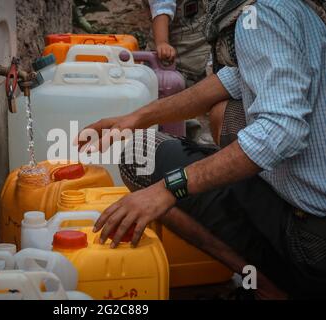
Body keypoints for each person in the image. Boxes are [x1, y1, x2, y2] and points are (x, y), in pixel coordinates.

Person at [78, 0, 326, 298]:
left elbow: (281, 130)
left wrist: (167, 190)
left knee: (139, 157)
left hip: (309, 240)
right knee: (226, 112)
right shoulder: (294, 9)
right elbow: (230, 81)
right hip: (312, 217)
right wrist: (135, 118)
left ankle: (267, 287)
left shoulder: (263, 13)